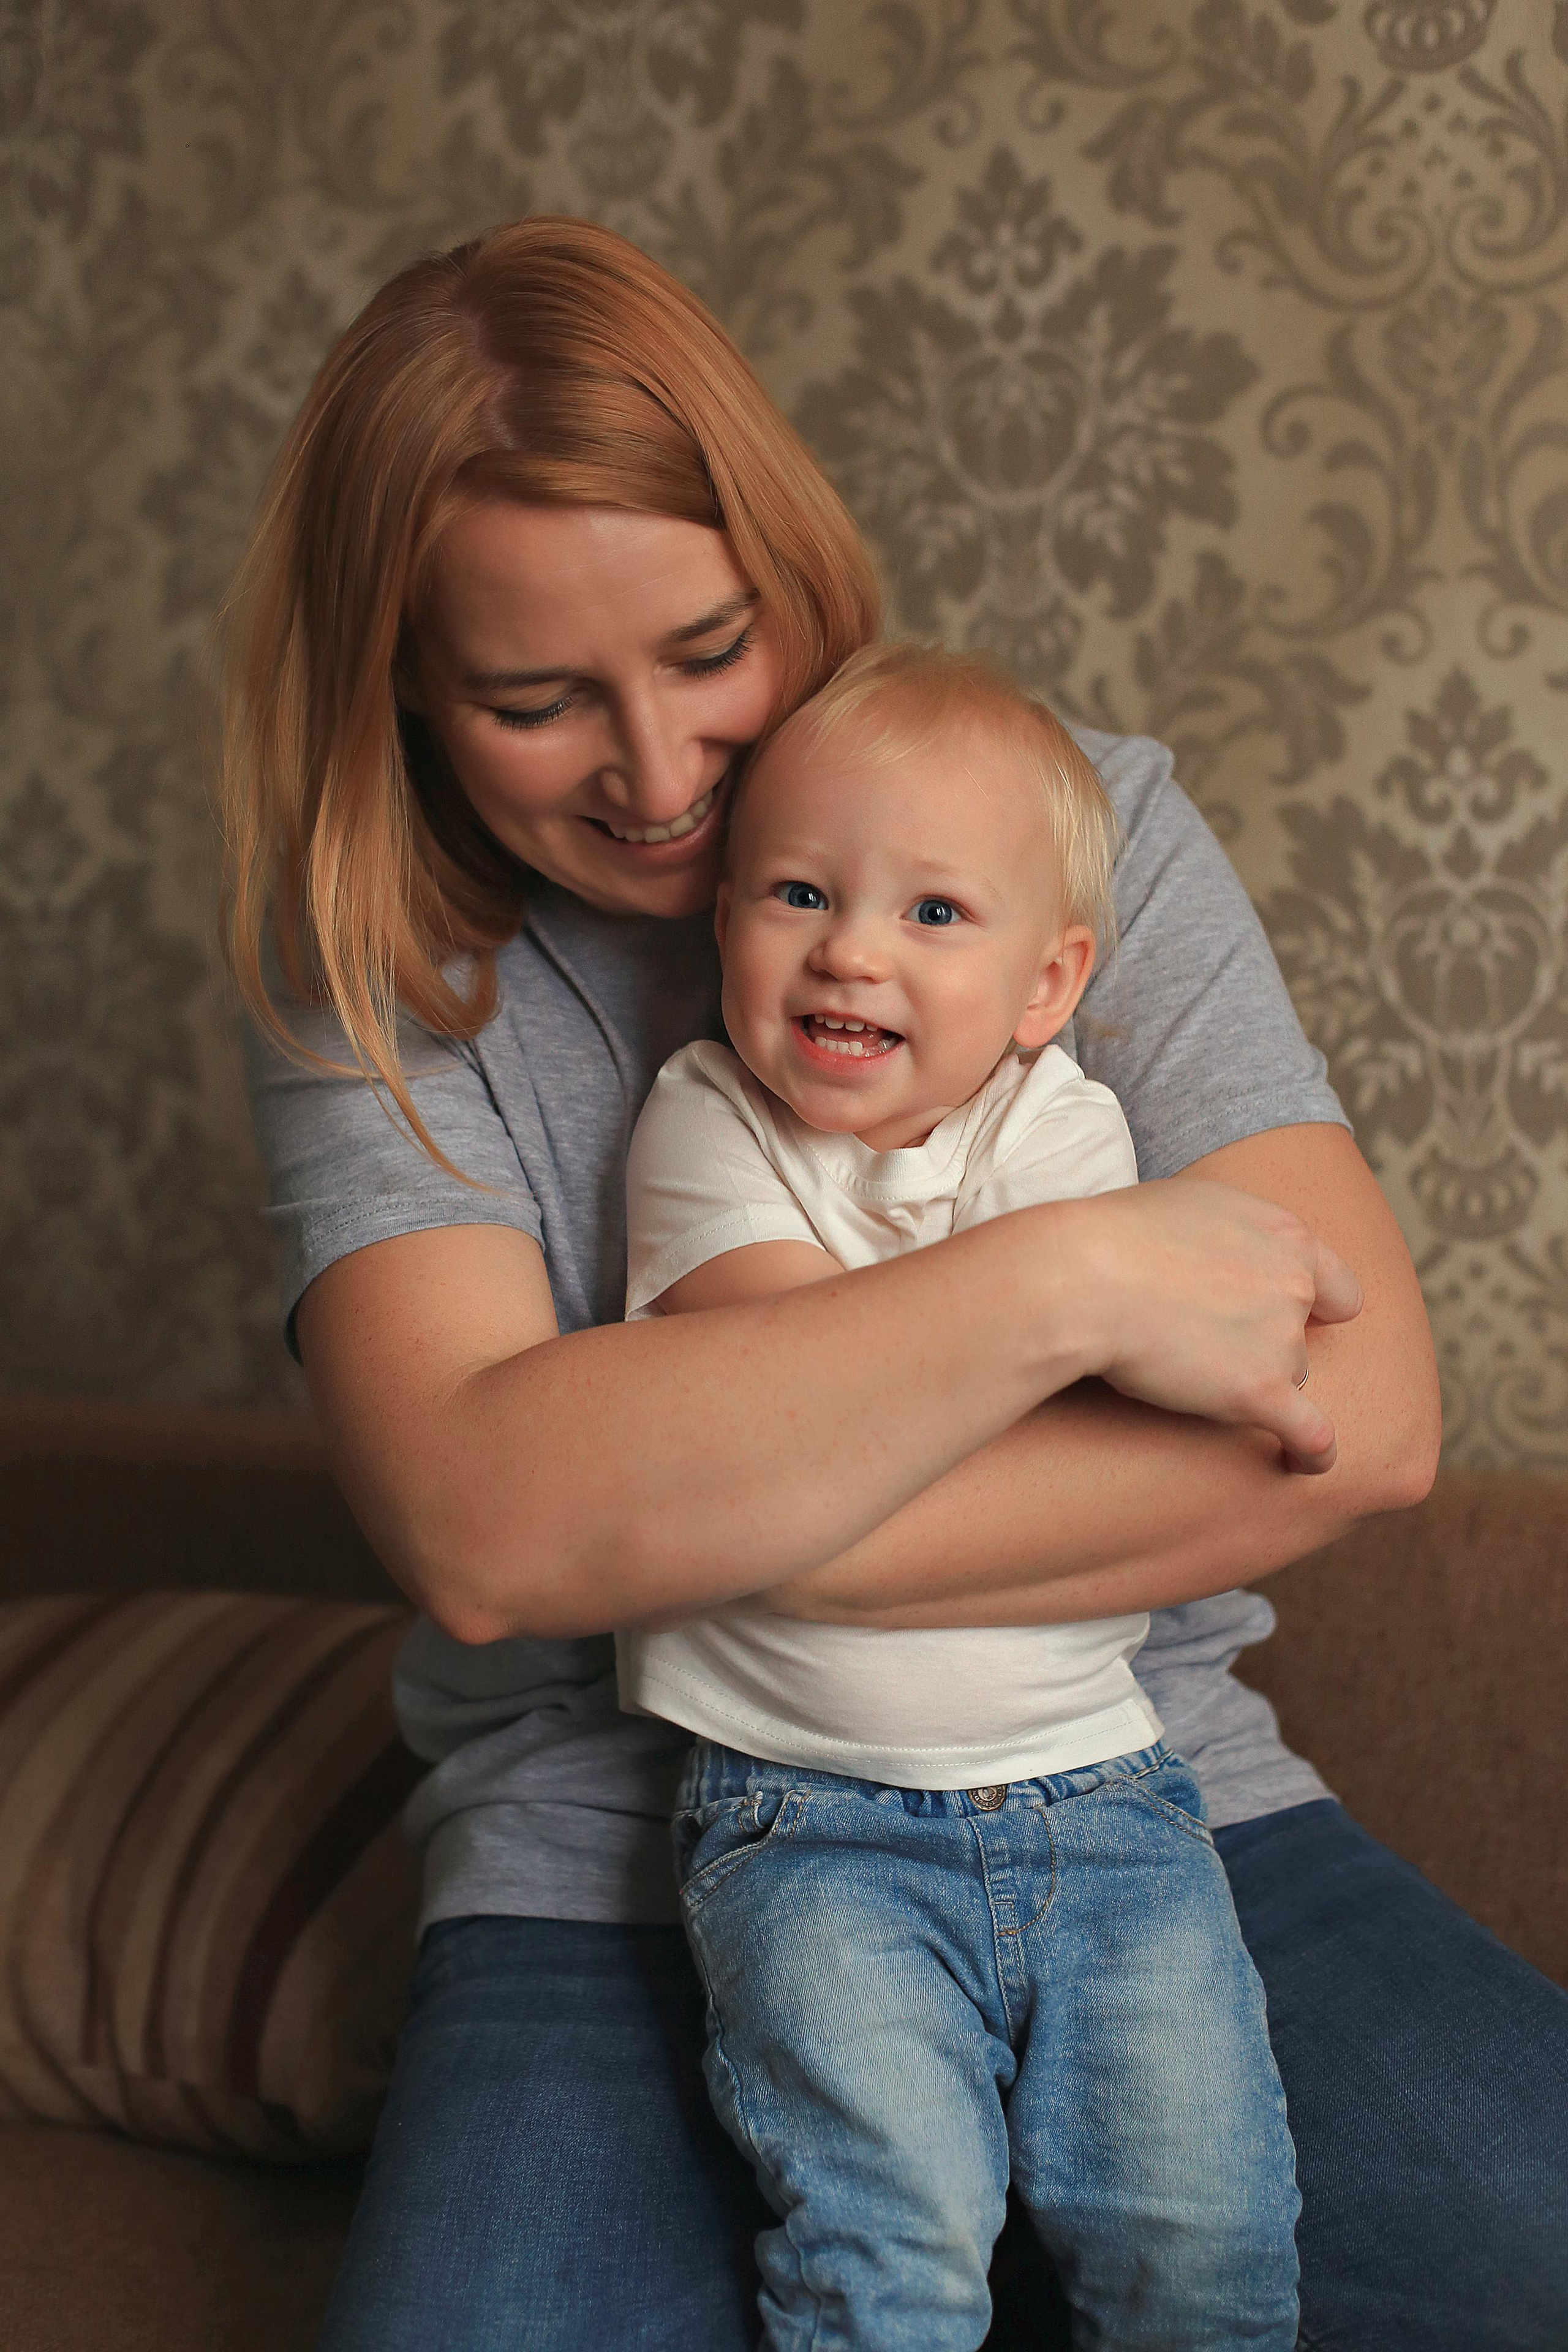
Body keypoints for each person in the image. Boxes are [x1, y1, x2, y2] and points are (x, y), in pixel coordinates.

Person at [223, 217, 1567, 2351]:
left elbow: (1366, 1416)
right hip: (622, 1842)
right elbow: (493, 1539)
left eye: (707, 649)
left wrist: (682, 1520)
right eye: (535, 699)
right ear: (402, 684)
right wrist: (1079, 1284)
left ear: (796, 566)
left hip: (1138, 1776)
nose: (657, 777)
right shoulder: (383, 984)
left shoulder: (1077, 826)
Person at [618, 639, 1302, 2349]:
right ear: (724, 929)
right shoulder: (706, 1123)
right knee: (891, 2254)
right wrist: (1041, 1338)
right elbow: (778, 1403)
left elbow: (1086, 1421)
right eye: (797, 892)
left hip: (1111, 1805)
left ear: (1047, 985)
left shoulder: (1060, 1136)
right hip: (810, 1825)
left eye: (934, 915)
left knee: (1206, 2245)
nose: (850, 946)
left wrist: (1012, 1374)